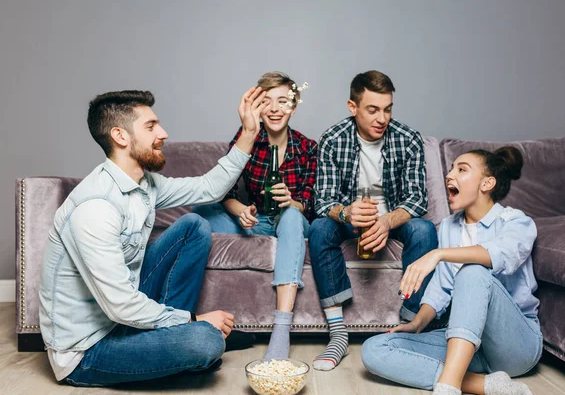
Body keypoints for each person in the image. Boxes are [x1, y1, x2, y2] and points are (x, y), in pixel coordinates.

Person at [39, 88, 269, 386]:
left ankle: (176, 340)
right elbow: (120, 305)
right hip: (88, 349)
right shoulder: (96, 207)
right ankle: (191, 341)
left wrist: (249, 133)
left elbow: (210, 188)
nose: (163, 133)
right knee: (205, 342)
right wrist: (194, 321)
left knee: (194, 226)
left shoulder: (144, 184)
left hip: (120, 321)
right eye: (151, 126)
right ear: (120, 136)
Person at [361, 146, 542, 395]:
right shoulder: (449, 226)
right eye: (450, 168)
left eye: (462, 169)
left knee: (473, 272)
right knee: (376, 349)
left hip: (515, 344)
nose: (449, 175)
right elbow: (441, 288)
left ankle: (448, 387)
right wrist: (418, 322)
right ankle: (483, 384)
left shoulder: (515, 222)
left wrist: (438, 254)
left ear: (487, 183)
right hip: (465, 346)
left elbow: (500, 254)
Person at [309, 70, 438, 371]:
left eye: (388, 109)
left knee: (425, 230)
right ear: (352, 108)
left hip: (393, 218)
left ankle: (411, 324)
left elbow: (417, 198)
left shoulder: (408, 139)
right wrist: (346, 213)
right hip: (349, 218)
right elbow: (322, 200)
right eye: (373, 109)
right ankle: (338, 332)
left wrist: (386, 222)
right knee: (319, 228)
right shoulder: (332, 138)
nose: (382, 118)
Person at [193, 72, 317, 360]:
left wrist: (293, 203)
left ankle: (281, 330)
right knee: (201, 212)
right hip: (258, 222)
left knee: (291, 218)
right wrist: (241, 212)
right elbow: (225, 191)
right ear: (258, 107)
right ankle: (188, 319)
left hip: (292, 222)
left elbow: (312, 206)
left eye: (283, 101)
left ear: (293, 107)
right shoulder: (247, 137)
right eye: (267, 102)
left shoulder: (308, 148)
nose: (274, 109)